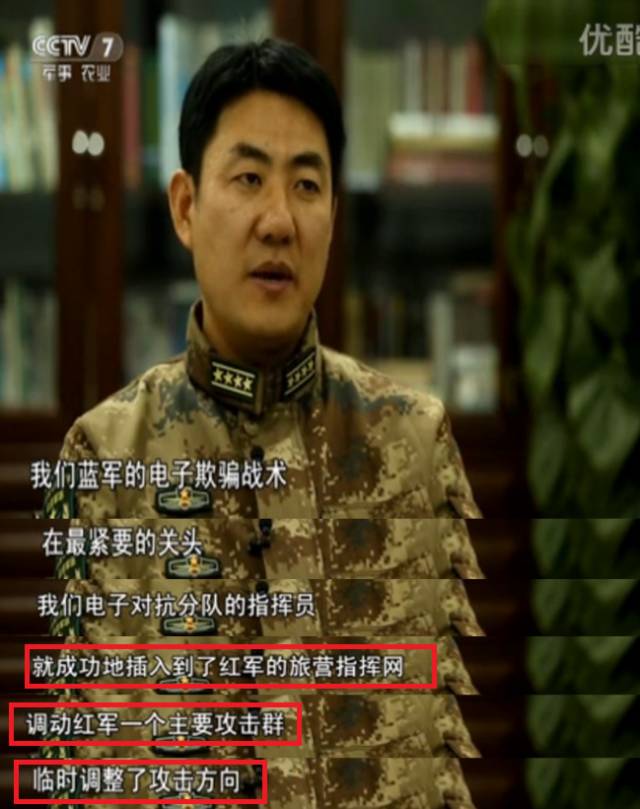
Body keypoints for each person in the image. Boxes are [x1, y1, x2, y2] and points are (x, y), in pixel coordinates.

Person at [45, 39, 484, 809]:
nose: (279, 221)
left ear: (333, 215)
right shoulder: (106, 452)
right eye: (248, 179)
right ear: (185, 207)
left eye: (306, 185)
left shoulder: (412, 443)